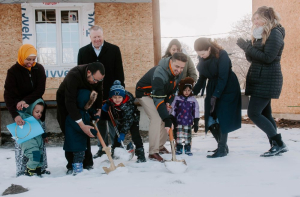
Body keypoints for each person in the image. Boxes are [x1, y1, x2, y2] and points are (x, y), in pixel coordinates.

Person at [236, 6, 288, 157]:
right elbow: (254, 58)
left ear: (267, 18)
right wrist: (247, 48)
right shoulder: (260, 35)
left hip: (268, 79)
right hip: (259, 78)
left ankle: (278, 143)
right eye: (254, 19)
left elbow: (267, 58)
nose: (255, 22)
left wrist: (247, 47)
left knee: (253, 113)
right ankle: (276, 145)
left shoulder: (275, 33)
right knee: (266, 114)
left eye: (258, 18)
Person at [77, 25, 125, 158]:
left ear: (103, 36)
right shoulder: (83, 52)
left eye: (99, 36)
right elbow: (81, 75)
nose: (97, 39)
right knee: (99, 120)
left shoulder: (114, 50)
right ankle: (102, 147)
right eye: (94, 37)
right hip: (93, 94)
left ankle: (116, 147)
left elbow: (119, 73)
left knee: (113, 119)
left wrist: (119, 92)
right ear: (90, 37)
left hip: (111, 92)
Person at [4, 44, 50, 176]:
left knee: (39, 141)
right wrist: (15, 115)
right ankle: (22, 169)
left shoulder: (39, 69)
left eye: (33, 59)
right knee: (25, 141)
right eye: (28, 59)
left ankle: (40, 168)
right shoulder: (13, 71)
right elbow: (8, 95)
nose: (31, 62)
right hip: (20, 110)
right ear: (22, 56)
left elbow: (40, 90)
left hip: (34, 105)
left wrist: (26, 101)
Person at [193, 38, 241, 158]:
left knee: (222, 117)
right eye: (199, 55)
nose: (202, 57)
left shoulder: (221, 54)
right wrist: (192, 92)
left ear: (209, 48)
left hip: (227, 87)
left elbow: (223, 77)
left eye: (203, 54)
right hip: (213, 87)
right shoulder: (202, 59)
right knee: (211, 117)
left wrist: (216, 95)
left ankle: (221, 149)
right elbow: (202, 78)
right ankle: (222, 146)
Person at [136, 52, 187, 162]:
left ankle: (160, 146)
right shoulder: (159, 73)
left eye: (182, 67)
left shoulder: (179, 73)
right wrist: (166, 117)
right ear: (170, 62)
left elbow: (173, 90)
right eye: (177, 66)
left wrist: (168, 101)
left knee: (166, 114)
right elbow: (157, 99)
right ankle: (153, 152)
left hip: (160, 94)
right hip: (145, 94)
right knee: (157, 117)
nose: (179, 70)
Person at [56, 62, 105, 174]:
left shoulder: (97, 78)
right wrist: (81, 124)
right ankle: (71, 165)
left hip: (84, 104)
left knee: (85, 132)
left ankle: (87, 163)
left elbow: (99, 91)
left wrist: (98, 108)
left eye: (99, 80)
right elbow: (70, 102)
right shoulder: (74, 75)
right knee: (70, 134)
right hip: (66, 102)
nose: (96, 83)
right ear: (88, 72)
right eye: (95, 80)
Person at [100, 80, 146, 163]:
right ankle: (115, 153)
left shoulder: (127, 104)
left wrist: (123, 133)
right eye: (115, 97)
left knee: (135, 136)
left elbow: (128, 120)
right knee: (117, 136)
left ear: (123, 97)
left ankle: (141, 155)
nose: (117, 100)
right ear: (111, 97)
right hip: (120, 119)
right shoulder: (111, 99)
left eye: (119, 97)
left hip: (132, 118)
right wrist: (107, 104)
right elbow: (109, 100)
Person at [63, 89, 98, 175]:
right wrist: (93, 131)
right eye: (88, 103)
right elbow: (81, 128)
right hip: (76, 141)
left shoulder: (83, 111)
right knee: (77, 156)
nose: (89, 105)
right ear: (83, 102)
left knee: (72, 156)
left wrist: (95, 115)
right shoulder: (76, 115)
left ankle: (71, 167)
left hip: (74, 141)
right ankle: (76, 170)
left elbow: (90, 111)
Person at [170, 77, 200, 156]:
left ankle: (187, 148)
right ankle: (179, 147)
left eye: (189, 90)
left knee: (187, 135)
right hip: (178, 121)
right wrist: (172, 118)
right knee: (178, 135)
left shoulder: (193, 100)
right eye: (185, 90)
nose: (187, 92)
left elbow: (196, 110)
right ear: (181, 90)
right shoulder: (177, 99)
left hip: (188, 121)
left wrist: (196, 121)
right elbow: (173, 108)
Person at [17, 99, 47, 176]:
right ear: (31, 110)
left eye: (41, 112)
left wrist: (44, 136)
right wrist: (22, 108)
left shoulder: (38, 120)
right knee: (35, 157)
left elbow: (39, 130)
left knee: (40, 157)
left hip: (37, 142)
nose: (39, 114)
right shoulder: (25, 117)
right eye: (37, 112)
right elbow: (20, 114)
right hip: (29, 143)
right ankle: (29, 172)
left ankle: (38, 171)